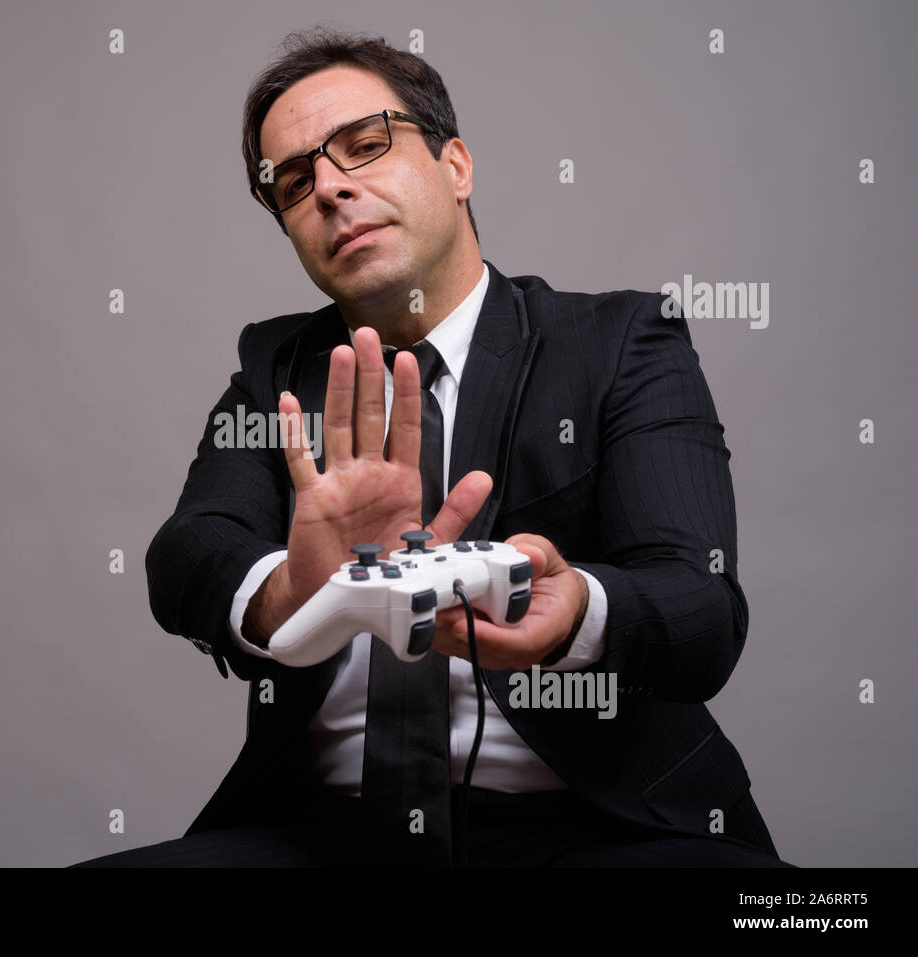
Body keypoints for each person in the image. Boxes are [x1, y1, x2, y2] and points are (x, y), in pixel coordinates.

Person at [73, 27, 791, 868]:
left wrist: (577, 615)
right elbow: (188, 553)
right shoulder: (278, 369)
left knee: (812, 923)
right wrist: (298, 592)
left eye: (364, 145)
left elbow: (701, 607)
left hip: (601, 828)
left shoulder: (620, 343)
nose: (331, 190)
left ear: (456, 167)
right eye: (295, 182)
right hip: (324, 836)